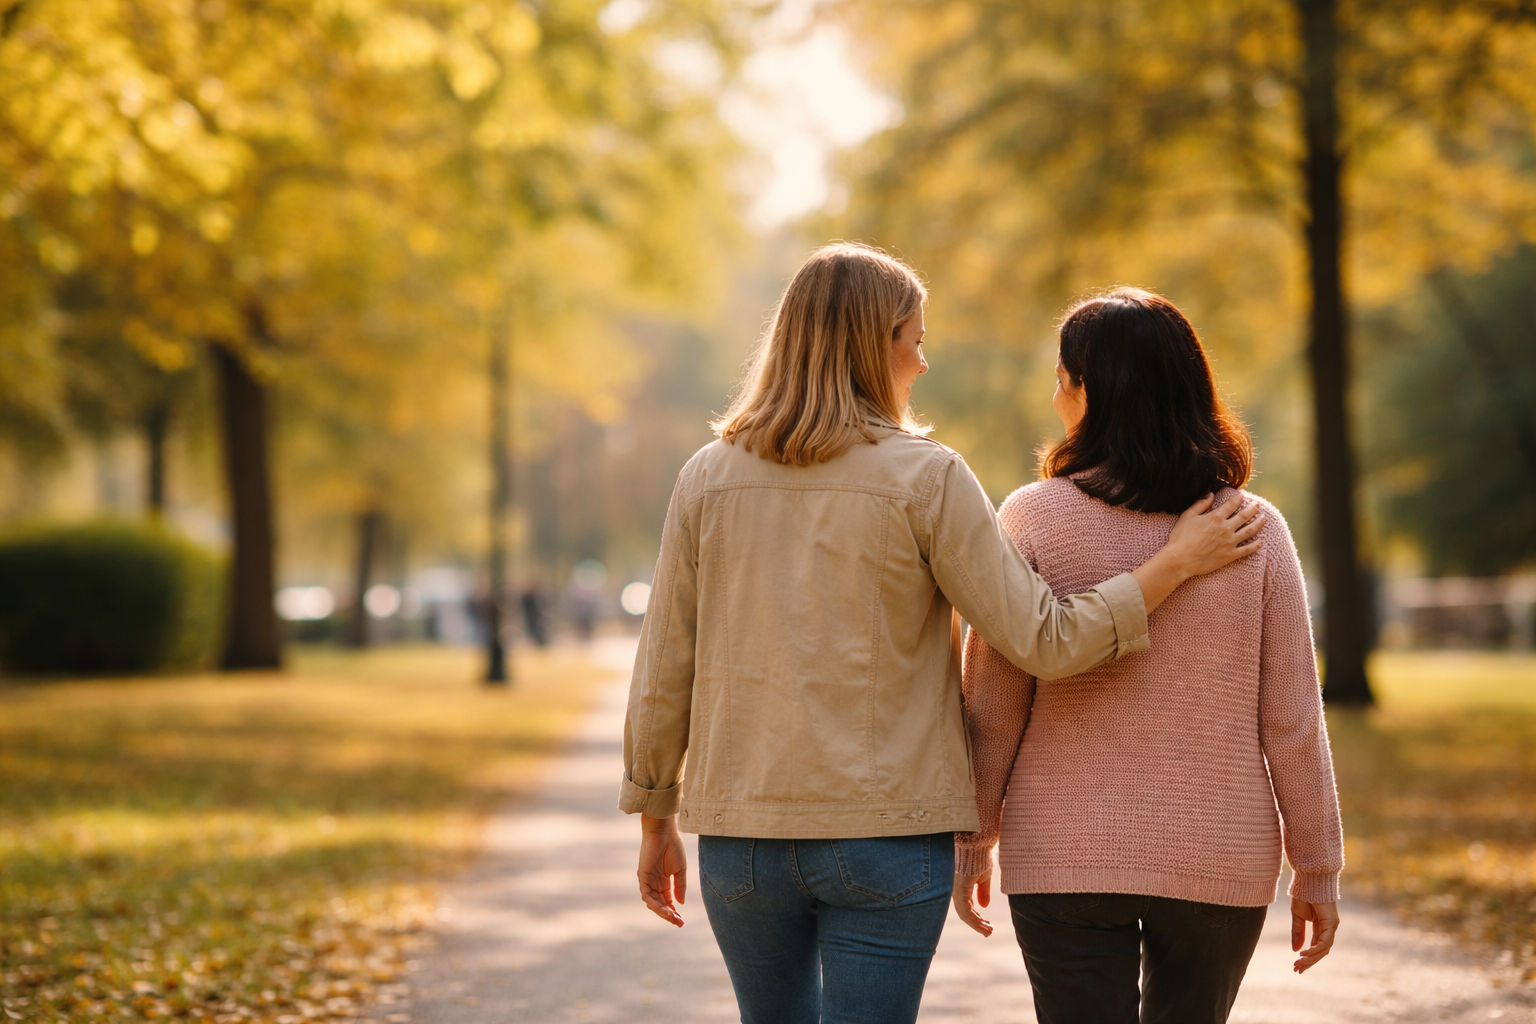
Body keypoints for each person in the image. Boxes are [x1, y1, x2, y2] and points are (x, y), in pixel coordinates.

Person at [619, 245, 1264, 1024]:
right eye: (914, 340)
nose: (922, 363)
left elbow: (664, 665)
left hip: (740, 840)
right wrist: (1173, 564)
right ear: (874, 344)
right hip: (885, 838)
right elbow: (1043, 641)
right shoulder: (928, 478)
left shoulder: (704, 478)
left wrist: (656, 815)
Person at [951, 287, 1344, 1024]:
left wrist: (973, 836)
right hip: (1219, 856)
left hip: (1065, 852)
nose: (1056, 393)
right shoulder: (1254, 529)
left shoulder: (1031, 518)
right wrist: (1317, 869)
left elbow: (994, 704)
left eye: (1062, 376)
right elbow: (1293, 721)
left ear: (1088, 390)